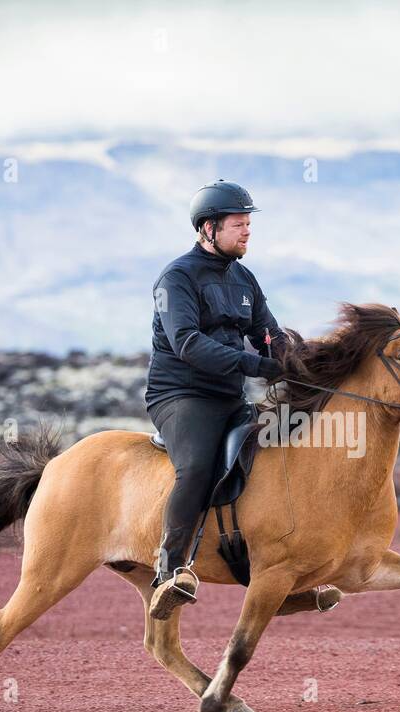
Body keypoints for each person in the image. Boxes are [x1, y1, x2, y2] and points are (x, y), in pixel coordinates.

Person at [144, 179, 285, 619]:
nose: (247, 232)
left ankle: (273, 567)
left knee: (277, 452)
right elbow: (186, 343)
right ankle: (169, 569)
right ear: (208, 228)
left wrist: (295, 360)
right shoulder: (176, 278)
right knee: (200, 467)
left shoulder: (244, 278)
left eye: (248, 225)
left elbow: (269, 334)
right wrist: (258, 367)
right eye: (238, 225)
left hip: (228, 396)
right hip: (180, 395)